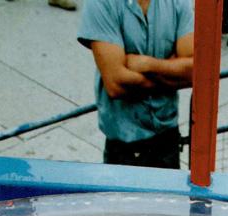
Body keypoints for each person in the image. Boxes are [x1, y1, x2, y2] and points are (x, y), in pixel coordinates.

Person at [77, 0, 193, 169]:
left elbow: (194, 71)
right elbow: (116, 84)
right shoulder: (101, 4)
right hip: (123, 149)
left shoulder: (177, 3)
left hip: (168, 140)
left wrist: (147, 64)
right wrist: (172, 74)